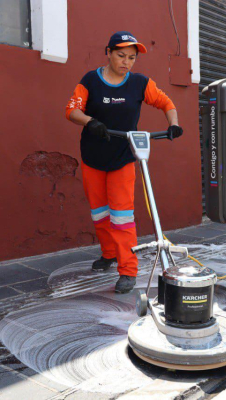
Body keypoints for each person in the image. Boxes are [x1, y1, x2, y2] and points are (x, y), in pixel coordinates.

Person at [65, 31, 183, 294]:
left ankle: (128, 270)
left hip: (123, 158)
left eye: (131, 57)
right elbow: (72, 110)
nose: (126, 62)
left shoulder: (140, 83)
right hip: (93, 157)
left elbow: (166, 103)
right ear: (108, 52)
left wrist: (173, 124)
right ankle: (109, 253)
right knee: (100, 213)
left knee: (121, 216)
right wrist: (90, 121)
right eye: (121, 55)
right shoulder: (90, 81)